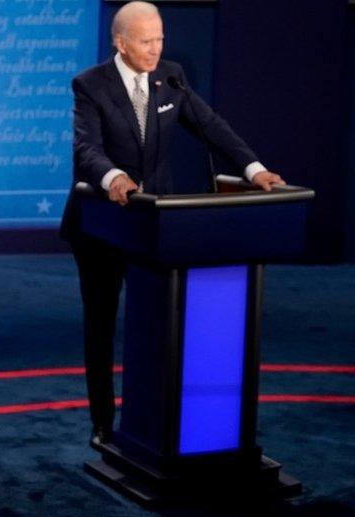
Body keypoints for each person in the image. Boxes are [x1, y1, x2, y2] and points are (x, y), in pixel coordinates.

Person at [59, 1, 286, 447]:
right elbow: (86, 150)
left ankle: (156, 420)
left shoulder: (171, 77)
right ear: (120, 42)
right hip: (102, 227)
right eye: (146, 41)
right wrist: (113, 177)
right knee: (101, 327)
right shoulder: (91, 85)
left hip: (157, 228)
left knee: (158, 324)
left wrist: (254, 169)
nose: (156, 48)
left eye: (160, 37)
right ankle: (103, 423)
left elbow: (213, 127)